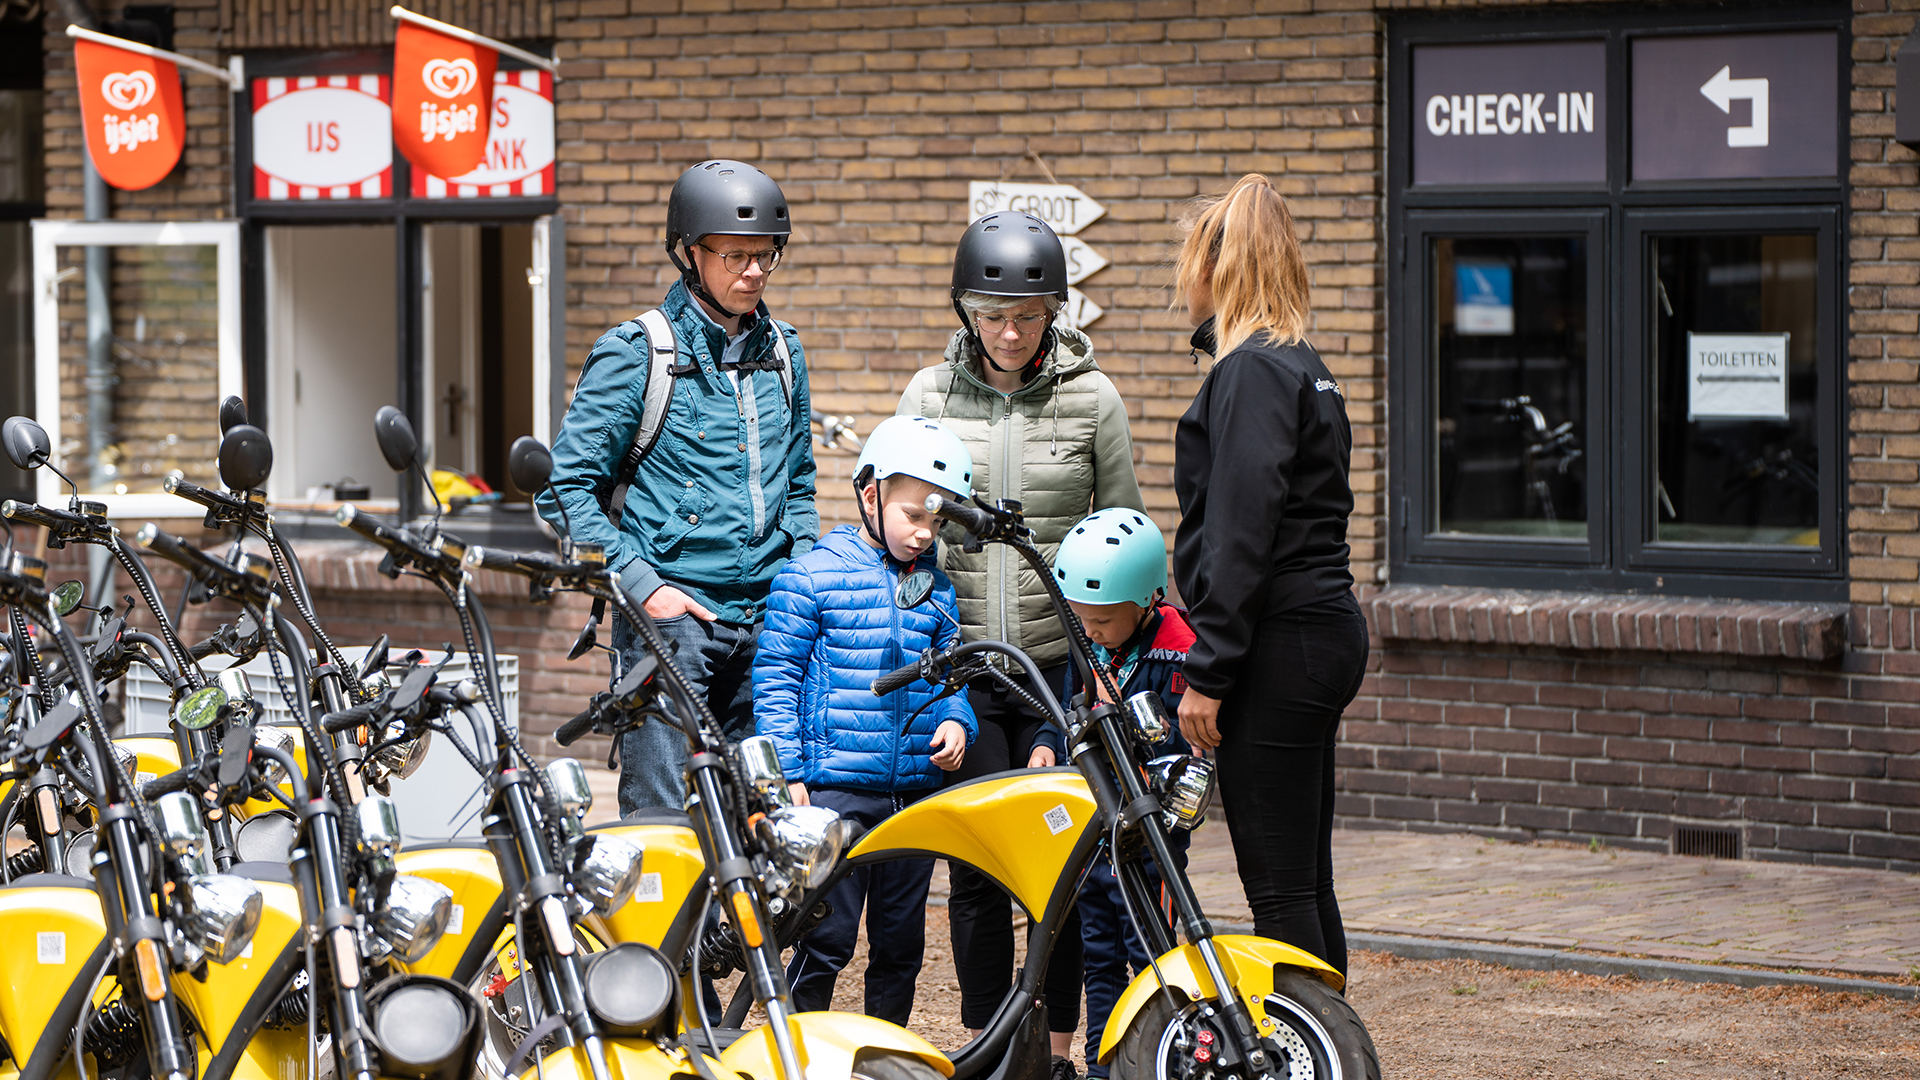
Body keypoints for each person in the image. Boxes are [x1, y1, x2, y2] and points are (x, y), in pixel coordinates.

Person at [897, 210, 1144, 1079]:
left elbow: (1125, 538)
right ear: (965, 308)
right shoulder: (930, 394)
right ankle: (997, 1049)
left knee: (1060, 868)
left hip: (1060, 667)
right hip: (966, 671)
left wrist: (1108, 669)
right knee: (973, 874)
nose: (1009, 332)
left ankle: (1062, 1050)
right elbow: (902, 526)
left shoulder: (1092, 397)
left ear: (1054, 313)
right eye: (992, 313)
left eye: (1029, 316)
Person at [539, 159, 816, 816]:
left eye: (766, 256)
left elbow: (799, 485)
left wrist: (799, 578)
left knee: (767, 820)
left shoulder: (784, 351)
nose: (753, 272)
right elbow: (563, 492)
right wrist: (645, 587)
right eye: (736, 256)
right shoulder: (638, 352)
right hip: (673, 623)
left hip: (767, 622)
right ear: (691, 253)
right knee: (662, 817)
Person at [1169, 173, 1366, 977]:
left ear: (1217, 267)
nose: (1183, 281)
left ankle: (1313, 1053)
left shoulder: (1249, 372)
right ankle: (1334, 1044)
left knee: (1280, 890)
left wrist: (1208, 674)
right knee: (1307, 880)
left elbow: (1241, 536)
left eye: (1188, 263)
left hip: (1278, 644)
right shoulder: (1303, 364)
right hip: (1321, 631)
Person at [753, 415, 979, 1024]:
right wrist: (789, 775)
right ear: (870, 494)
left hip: (910, 794)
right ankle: (798, 1049)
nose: (926, 533)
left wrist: (959, 723)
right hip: (833, 791)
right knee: (826, 934)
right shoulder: (810, 577)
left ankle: (886, 1055)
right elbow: (775, 681)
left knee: (900, 943)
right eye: (914, 515)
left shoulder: (936, 589)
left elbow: (951, 677)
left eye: (938, 518)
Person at [1051, 507, 1195, 1078]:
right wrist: (1045, 740)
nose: (1090, 632)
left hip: (1149, 836)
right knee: (1099, 956)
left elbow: (1183, 743)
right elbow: (1065, 708)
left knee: (1149, 956)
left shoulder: (1177, 652)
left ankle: (1150, 1064)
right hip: (1094, 828)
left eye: (1103, 621)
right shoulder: (1089, 643)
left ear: (1147, 602)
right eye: (1081, 619)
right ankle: (1101, 1067)